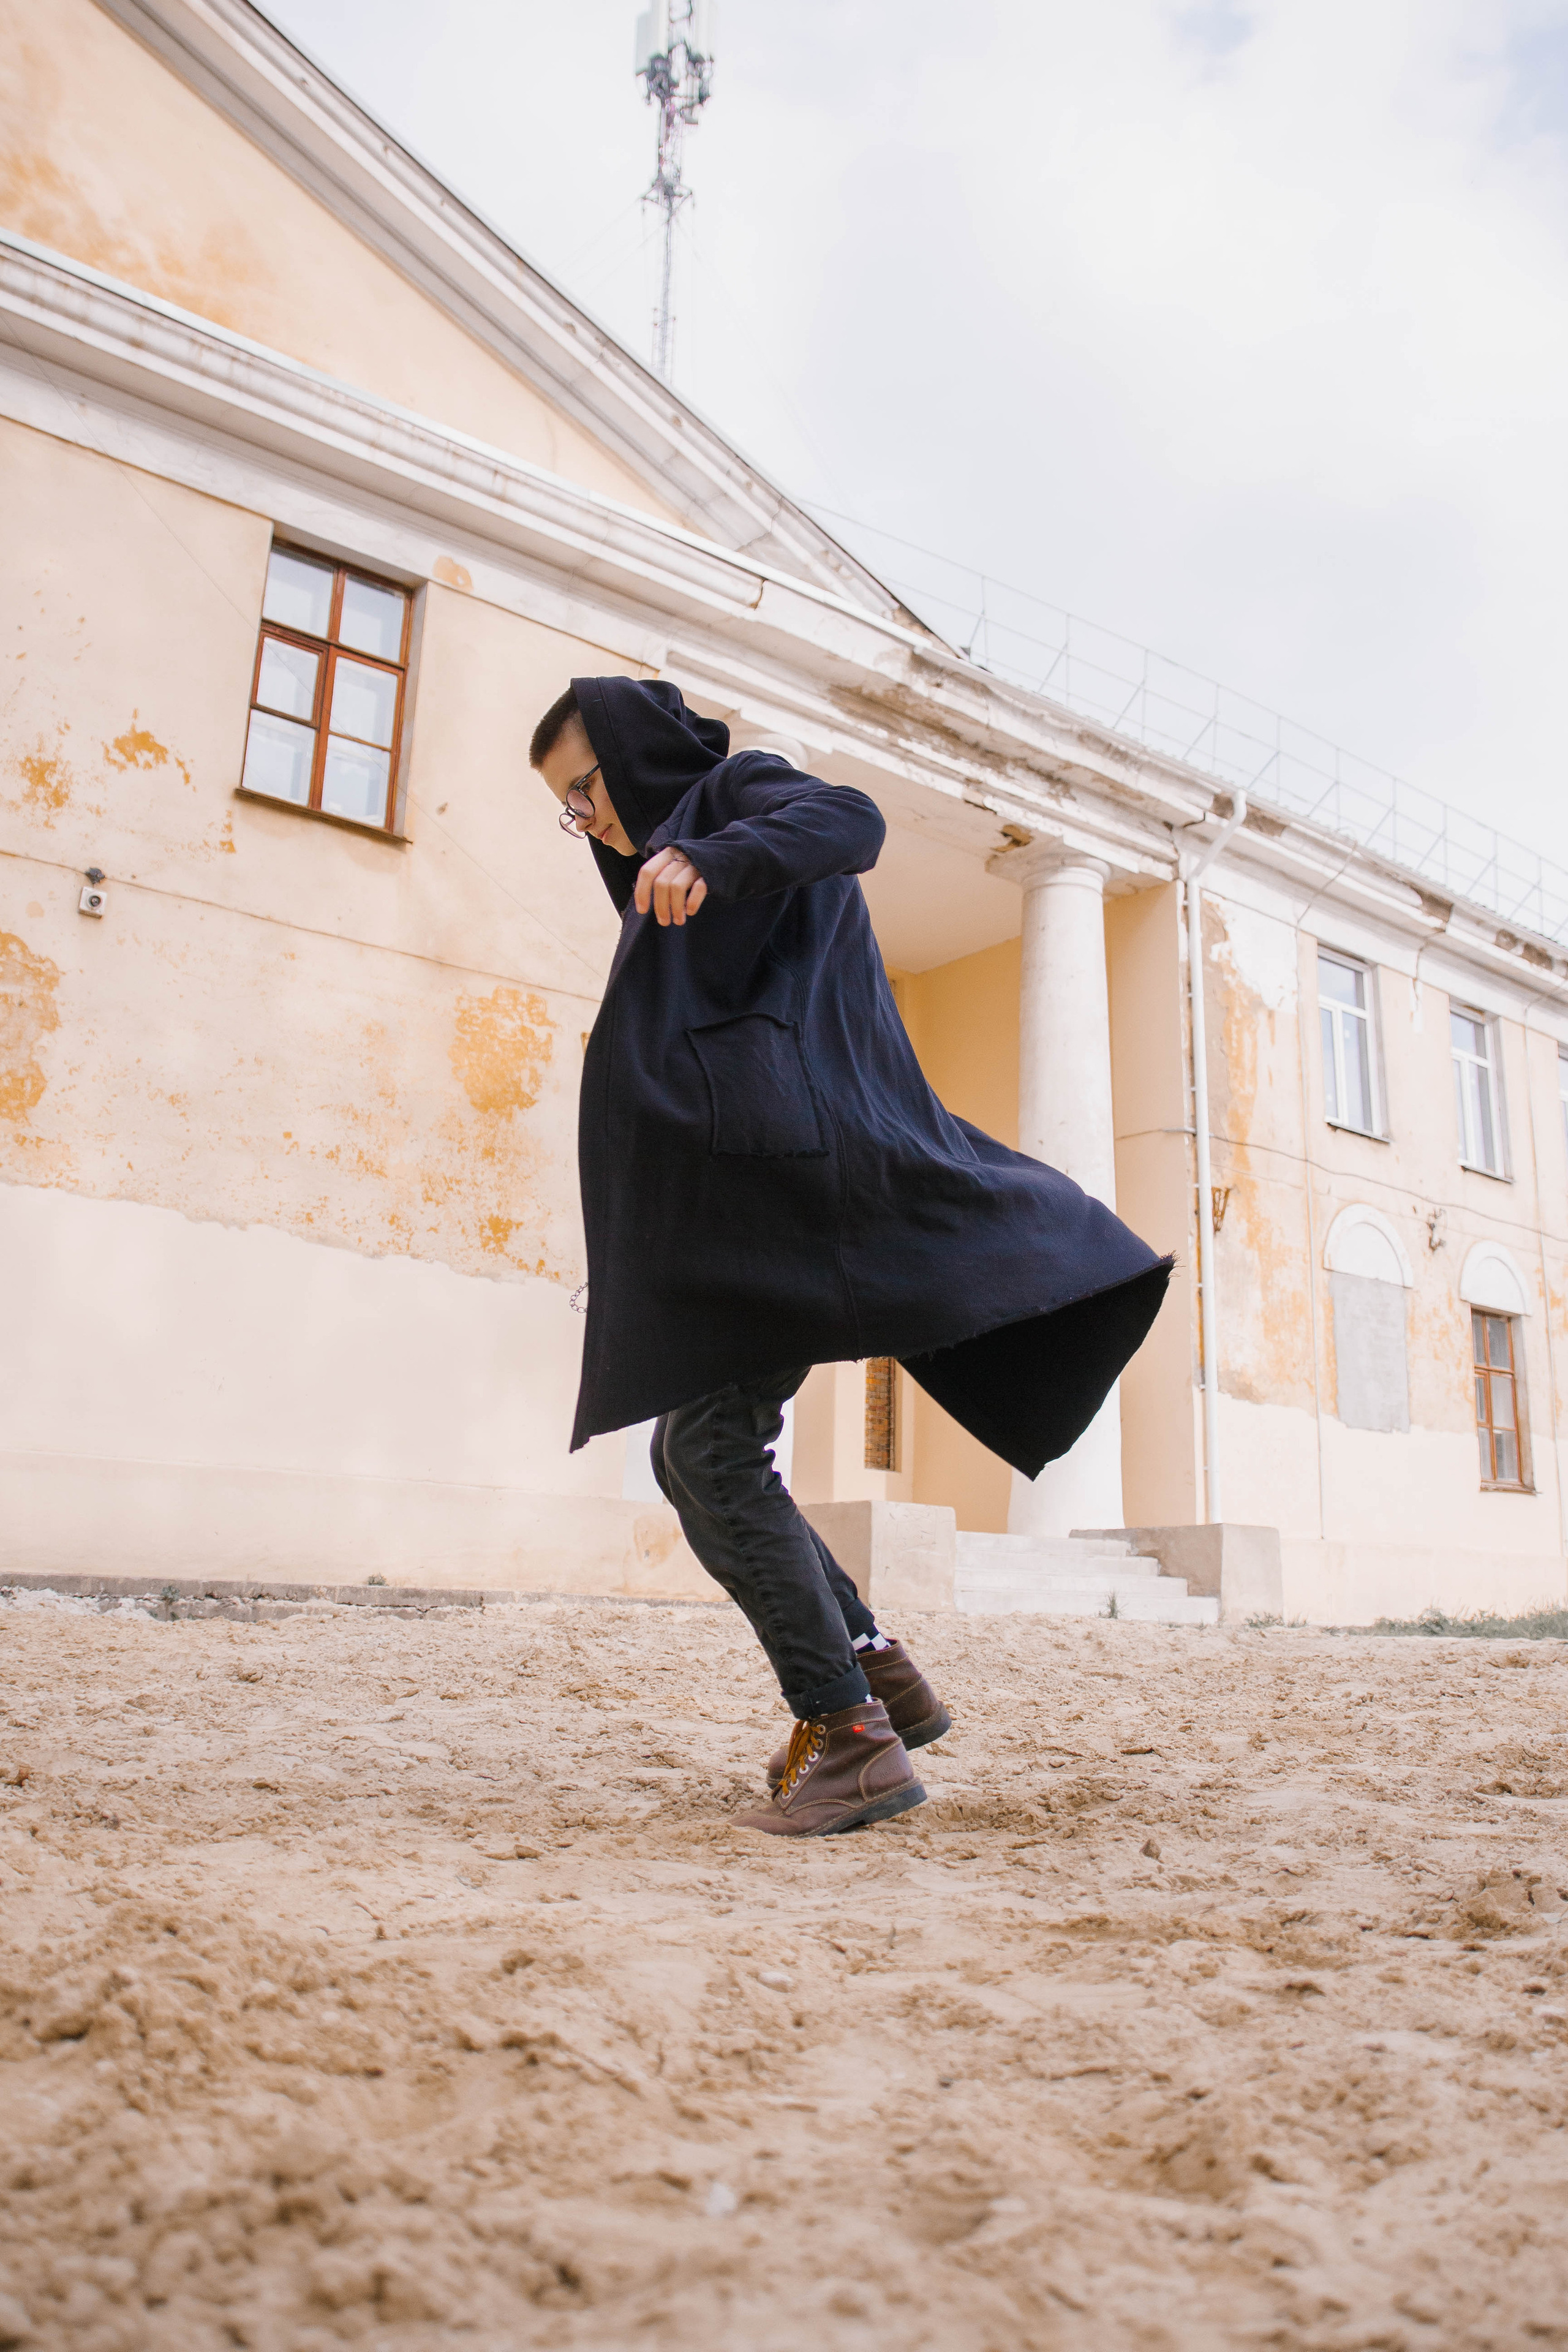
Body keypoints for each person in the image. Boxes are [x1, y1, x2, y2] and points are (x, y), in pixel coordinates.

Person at [531, 678, 1170, 1839]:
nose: (588, 817)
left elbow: (856, 823)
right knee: (699, 1455)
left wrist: (718, 857)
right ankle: (878, 1676)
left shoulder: (736, 797)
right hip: (747, 1203)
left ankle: (852, 1736)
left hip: (787, 1192)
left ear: (630, 754)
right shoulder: (667, 887)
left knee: (712, 1456)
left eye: (587, 786)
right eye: (567, 809)